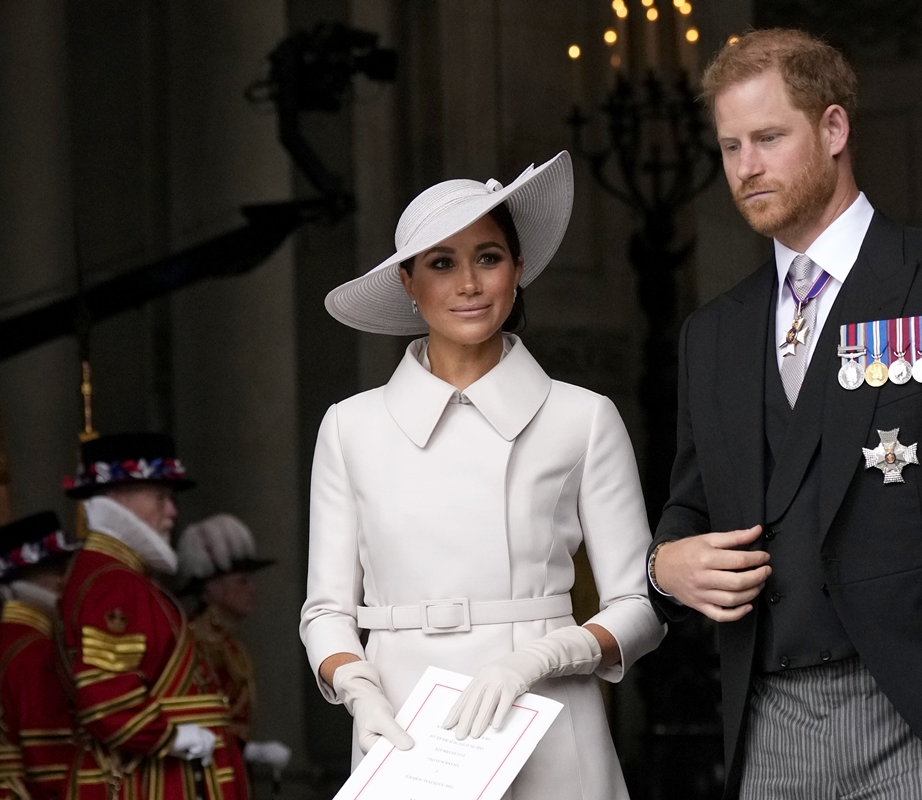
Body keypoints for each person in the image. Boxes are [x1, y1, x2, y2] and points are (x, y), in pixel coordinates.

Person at [646, 28, 922, 800]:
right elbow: (689, 507)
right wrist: (662, 568)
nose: (747, 167)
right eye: (731, 145)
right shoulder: (712, 334)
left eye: (770, 138)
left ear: (834, 129)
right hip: (768, 719)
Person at [301, 151, 666, 800]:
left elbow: (640, 606)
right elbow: (326, 609)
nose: (468, 282)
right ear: (409, 284)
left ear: (518, 271)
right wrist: (356, 688)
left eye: (489, 257)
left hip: (549, 716)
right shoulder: (349, 427)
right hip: (407, 731)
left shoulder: (583, 418)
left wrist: (547, 656)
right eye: (441, 263)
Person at [58, 433, 249, 800]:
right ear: (118, 499)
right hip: (148, 784)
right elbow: (108, 701)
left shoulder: (121, 576)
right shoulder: (113, 581)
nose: (172, 511)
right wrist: (173, 736)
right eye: (160, 497)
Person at [0, 510, 80, 800]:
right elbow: (50, 764)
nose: (65, 579)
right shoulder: (36, 650)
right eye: (58, 568)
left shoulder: (3, 638)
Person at [177, 514, 292, 770]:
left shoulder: (228, 641)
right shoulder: (197, 641)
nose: (253, 588)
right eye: (242, 580)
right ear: (211, 587)